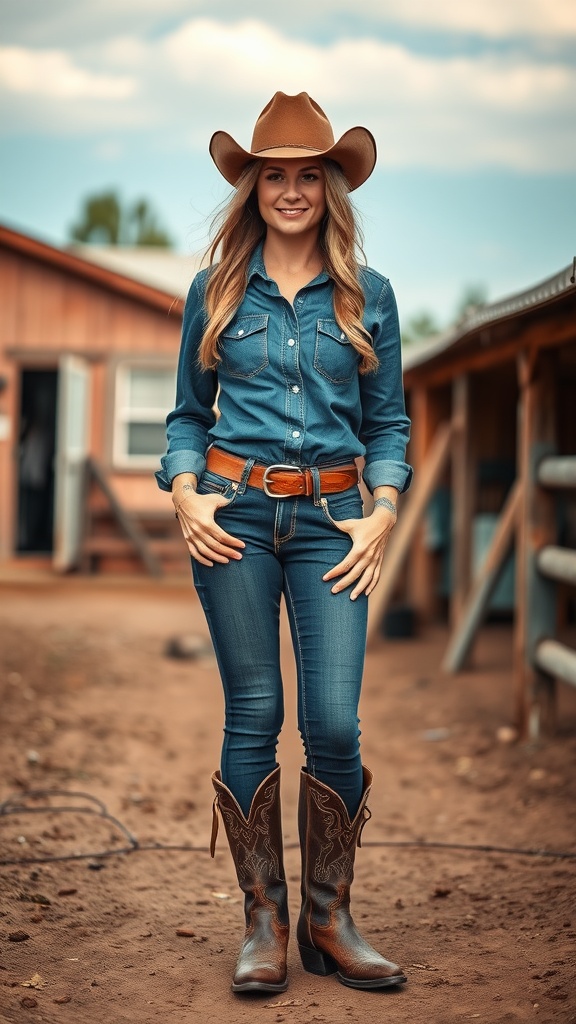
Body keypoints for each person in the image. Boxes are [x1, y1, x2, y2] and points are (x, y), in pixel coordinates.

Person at [156, 92, 412, 995]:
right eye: (277, 175)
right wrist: (185, 494)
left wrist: (384, 510)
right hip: (230, 516)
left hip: (335, 524)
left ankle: (330, 920)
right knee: (253, 714)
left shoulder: (368, 296)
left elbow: (390, 424)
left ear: (331, 189)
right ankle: (262, 921)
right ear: (253, 187)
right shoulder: (217, 290)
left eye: (310, 175)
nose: (293, 190)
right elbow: (188, 416)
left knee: (334, 722)